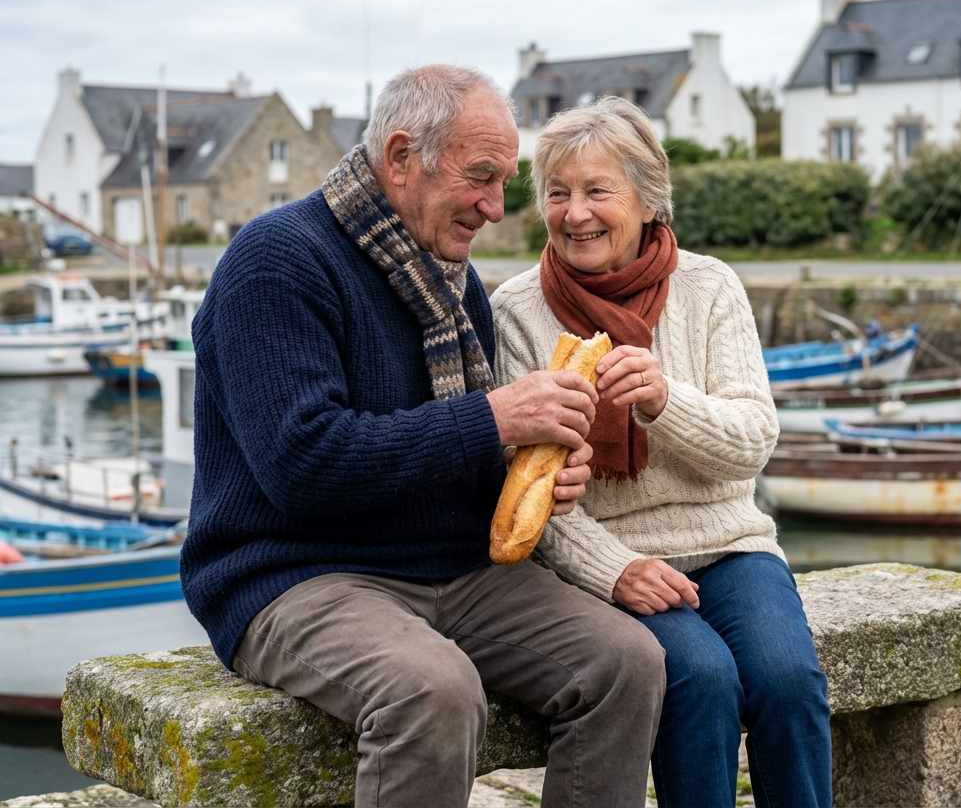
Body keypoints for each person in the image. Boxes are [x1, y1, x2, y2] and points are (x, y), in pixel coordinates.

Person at [180, 67, 666, 808]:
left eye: (504, 182)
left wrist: (526, 469)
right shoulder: (275, 261)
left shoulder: (454, 280)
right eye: (480, 177)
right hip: (297, 574)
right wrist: (497, 420)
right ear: (402, 155)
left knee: (628, 661)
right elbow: (303, 464)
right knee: (433, 690)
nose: (496, 209)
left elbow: (455, 452)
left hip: (454, 567)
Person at [492, 96, 832, 808]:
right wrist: (616, 570)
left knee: (786, 679)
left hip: (730, 544)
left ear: (649, 201)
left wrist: (664, 401)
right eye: (558, 193)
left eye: (597, 191)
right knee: (700, 680)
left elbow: (751, 446)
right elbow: (529, 491)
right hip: (614, 559)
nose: (575, 213)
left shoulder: (709, 286)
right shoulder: (517, 312)